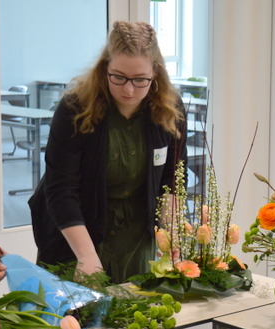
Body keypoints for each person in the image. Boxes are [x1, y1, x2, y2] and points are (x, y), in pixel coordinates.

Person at [29, 21, 187, 285]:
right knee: (74, 308)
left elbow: (172, 180)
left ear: (155, 73)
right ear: (105, 68)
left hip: (135, 235)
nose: (129, 89)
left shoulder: (170, 110)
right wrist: (86, 256)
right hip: (76, 231)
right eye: (119, 77)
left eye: (140, 80)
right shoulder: (75, 108)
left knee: (134, 304)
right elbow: (60, 189)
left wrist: (171, 232)